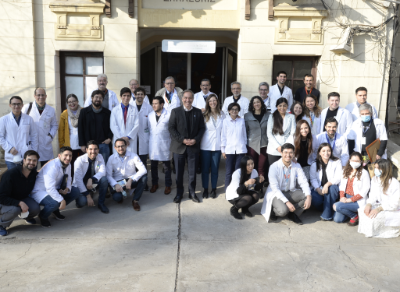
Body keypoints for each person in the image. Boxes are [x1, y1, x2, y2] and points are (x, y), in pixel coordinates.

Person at [31, 147, 87, 228]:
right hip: (41, 191)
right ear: (59, 155)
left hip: (55, 188)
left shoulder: (68, 163)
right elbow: (49, 188)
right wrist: (62, 200)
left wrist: (67, 188)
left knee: (75, 192)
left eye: (70, 156)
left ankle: (55, 210)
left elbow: (69, 178)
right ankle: (43, 216)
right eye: (66, 155)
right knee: (54, 203)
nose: (68, 158)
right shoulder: (52, 166)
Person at [168, 90, 205, 203]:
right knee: (179, 173)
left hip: (193, 147)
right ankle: (179, 193)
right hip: (179, 147)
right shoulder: (175, 111)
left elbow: (202, 128)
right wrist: (183, 140)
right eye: (185, 98)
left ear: (193, 99)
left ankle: (192, 193)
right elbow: (171, 128)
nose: (187, 100)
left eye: (190, 98)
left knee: (192, 172)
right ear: (182, 99)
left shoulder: (198, 112)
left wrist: (195, 140)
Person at [261, 143, 311, 225]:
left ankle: (293, 213)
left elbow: (304, 182)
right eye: (286, 152)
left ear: (294, 154)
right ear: (281, 153)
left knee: (306, 196)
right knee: (282, 211)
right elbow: (275, 188)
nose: (288, 155)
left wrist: (309, 196)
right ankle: (273, 211)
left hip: (290, 191)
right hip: (276, 194)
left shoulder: (297, 165)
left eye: (291, 152)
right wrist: (287, 202)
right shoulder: (274, 167)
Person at [0, 151, 40, 236]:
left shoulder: (33, 173)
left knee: (35, 208)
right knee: (15, 209)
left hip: (20, 198)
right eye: (29, 160)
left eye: (34, 161)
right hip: (4, 201)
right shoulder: (10, 175)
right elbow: (2, 197)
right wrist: (19, 203)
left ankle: (26, 216)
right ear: (24, 160)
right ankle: (1, 225)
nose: (31, 163)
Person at [358, 159, 400, 238]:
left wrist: (379, 209)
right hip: (379, 204)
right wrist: (369, 204)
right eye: (375, 168)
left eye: (379, 168)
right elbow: (373, 194)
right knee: (362, 211)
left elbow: (395, 203)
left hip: (392, 209)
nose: (376, 170)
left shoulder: (394, 183)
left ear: (385, 169)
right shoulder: (374, 179)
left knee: (372, 218)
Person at [106, 139, 147, 211]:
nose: (120, 148)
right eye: (118, 146)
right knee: (117, 198)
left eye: (122, 146)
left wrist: (131, 179)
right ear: (115, 147)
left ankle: (135, 200)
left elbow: (143, 170)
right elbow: (108, 175)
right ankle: (122, 192)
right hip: (119, 182)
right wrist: (115, 184)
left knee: (144, 177)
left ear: (126, 146)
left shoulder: (133, 155)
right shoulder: (111, 158)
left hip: (131, 181)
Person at [22, 87, 58, 167]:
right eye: (38, 95)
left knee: (46, 169)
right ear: (34, 96)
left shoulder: (51, 110)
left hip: (45, 143)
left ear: (46, 96)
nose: (40, 97)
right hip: (31, 144)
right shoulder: (27, 108)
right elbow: (21, 124)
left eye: (42, 95)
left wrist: (50, 136)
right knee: (30, 168)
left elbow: (54, 125)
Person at [0, 96, 38, 170]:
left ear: (22, 105)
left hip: (27, 156)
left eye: (19, 104)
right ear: (10, 105)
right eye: (14, 104)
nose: (16, 106)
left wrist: (33, 151)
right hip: (11, 157)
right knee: (13, 179)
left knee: (27, 179)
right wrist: (9, 148)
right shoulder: (3, 120)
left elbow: (34, 136)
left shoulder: (29, 119)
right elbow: (0, 137)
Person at [333, 152, 370, 225]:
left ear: (361, 162)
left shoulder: (364, 173)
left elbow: (365, 190)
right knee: (337, 219)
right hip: (346, 197)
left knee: (335, 206)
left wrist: (349, 200)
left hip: (357, 201)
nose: (355, 162)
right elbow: (342, 185)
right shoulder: (345, 171)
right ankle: (352, 213)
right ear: (349, 160)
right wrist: (342, 197)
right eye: (353, 160)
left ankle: (354, 216)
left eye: (357, 161)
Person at [73, 140, 109, 214]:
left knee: (104, 180)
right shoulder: (79, 160)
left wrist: (91, 179)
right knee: (82, 202)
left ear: (98, 150)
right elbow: (78, 180)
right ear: (86, 150)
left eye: (95, 149)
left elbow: (103, 171)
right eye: (90, 149)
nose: (93, 151)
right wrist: (88, 196)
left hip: (92, 182)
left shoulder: (100, 156)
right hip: (81, 184)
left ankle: (101, 203)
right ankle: (84, 196)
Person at [78, 90, 113, 163]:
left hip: (103, 145)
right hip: (89, 146)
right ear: (92, 98)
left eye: (100, 98)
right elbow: (80, 129)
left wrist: (109, 138)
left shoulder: (107, 113)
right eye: (96, 97)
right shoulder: (84, 112)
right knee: (90, 167)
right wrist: (82, 144)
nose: (98, 99)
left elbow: (112, 126)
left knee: (104, 166)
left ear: (102, 100)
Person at [201, 94, 225, 199]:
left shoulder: (222, 114)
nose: (212, 102)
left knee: (215, 169)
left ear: (217, 101)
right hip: (205, 146)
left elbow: (225, 130)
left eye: (214, 100)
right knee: (205, 169)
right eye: (210, 101)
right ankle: (205, 189)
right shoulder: (204, 114)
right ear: (208, 103)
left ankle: (213, 189)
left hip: (217, 146)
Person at [310, 143, 341, 221]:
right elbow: (313, 179)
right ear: (319, 153)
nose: (326, 153)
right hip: (319, 189)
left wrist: (327, 184)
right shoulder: (314, 164)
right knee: (314, 198)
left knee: (332, 188)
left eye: (328, 151)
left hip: (331, 188)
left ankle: (326, 215)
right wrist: (318, 189)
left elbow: (338, 177)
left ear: (331, 152)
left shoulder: (336, 161)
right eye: (323, 151)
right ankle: (328, 208)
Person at [130, 86, 153, 191]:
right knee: (134, 163)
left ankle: (144, 183)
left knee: (143, 163)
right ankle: (135, 182)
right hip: (133, 139)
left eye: (141, 94)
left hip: (144, 138)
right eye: (137, 94)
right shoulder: (130, 106)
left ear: (144, 96)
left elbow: (151, 125)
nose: (139, 96)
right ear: (134, 95)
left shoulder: (149, 107)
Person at [148, 96, 172, 195]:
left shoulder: (169, 115)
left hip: (165, 143)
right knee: (153, 166)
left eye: (156, 103)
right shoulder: (149, 115)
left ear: (162, 104)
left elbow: (172, 130)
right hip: (153, 144)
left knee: (166, 167)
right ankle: (155, 183)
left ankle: (168, 185)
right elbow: (149, 129)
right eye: (152, 103)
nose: (153, 105)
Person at [221, 103, 247, 192]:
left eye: (236, 109)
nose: (234, 111)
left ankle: (236, 190)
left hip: (240, 150)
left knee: (238, 172)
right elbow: (223, 136)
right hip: (229, 150)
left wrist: (245, 148)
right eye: (232, 109)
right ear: (229, 111)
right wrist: (223, 150)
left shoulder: (242, 121)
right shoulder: (225, 121)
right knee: (229, 172)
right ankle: (227, 191)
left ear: (238, 111)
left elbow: (244, 135)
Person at [244, 96, 271, 179]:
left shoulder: (268, 115)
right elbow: (245, 131)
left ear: (262, 103)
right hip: (252, 145)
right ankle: (250, 184)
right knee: (251, 166)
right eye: (254, 102)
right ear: (252, 105)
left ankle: (260, 187)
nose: (256, 104)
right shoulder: (247, 116)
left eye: (258, 102)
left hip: (264, 144)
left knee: (261, 167)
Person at [58, 94, 83, 178]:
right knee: (71, 165)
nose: (72, 103)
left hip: (82, 143)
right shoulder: (64, 114)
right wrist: (62, 145)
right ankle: (71, 183)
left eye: (74, 101)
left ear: (77, 101)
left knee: (83, 164)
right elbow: (61, 131)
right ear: (67, 103)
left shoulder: (84, 111)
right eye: (69, 102)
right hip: (70, 144)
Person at [266, 98, 296, 166]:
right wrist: (278, 147)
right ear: (277, 106)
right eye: (280, 105)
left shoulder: (291, 117)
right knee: (274, 170)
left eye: (284, 105)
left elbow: (292, 133)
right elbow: (269, 134)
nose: (282, 108)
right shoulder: (272, 116)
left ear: (287, 106)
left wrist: (285, 147)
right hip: (273, 149)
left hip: (286, 149)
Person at [110, 87, 139, 155]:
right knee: (118, 160)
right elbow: (113, 126)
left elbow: (136, 125)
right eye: (124, 95)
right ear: (120, 96)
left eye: (128, 96)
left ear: (130, 97)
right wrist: (122, 139)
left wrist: (127, 137)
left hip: (130, 140)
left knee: (131, 160)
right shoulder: (115, 110)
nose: (126, 98)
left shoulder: (134, 109)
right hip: (118, 139)